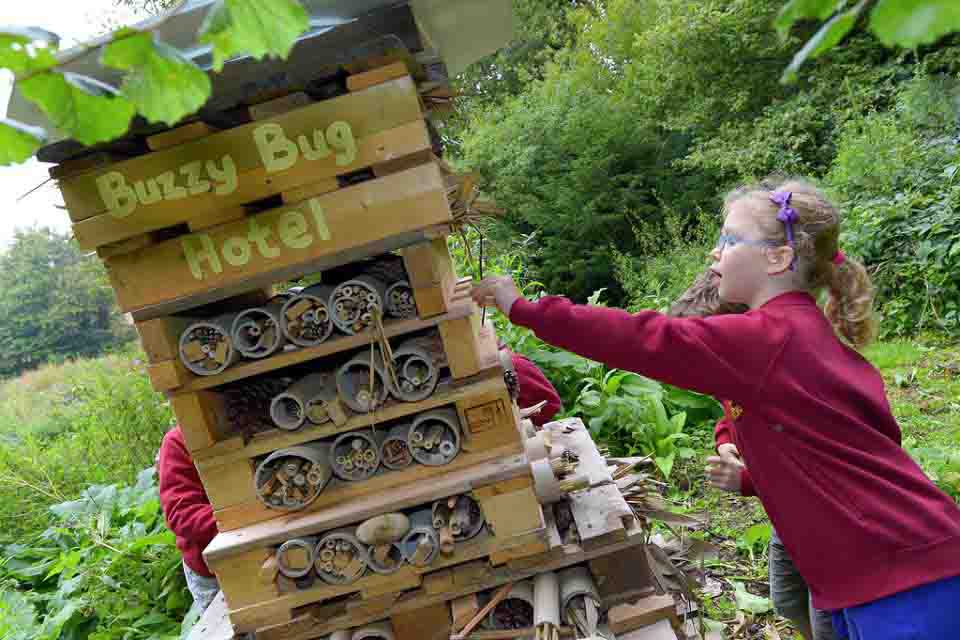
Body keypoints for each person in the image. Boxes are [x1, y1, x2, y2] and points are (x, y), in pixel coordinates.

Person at [471, 177, 960, 639]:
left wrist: (526, 309)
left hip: (902, 580)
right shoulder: (800, 337)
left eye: (728, 239)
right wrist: (750, 478)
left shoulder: (768, 337)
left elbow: (644, 339)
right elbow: (848, 452)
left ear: (778, 257)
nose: (714, 252)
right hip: (896, 568)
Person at [157, 353, 562, 612]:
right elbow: (183, 516)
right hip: (215, 567)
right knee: (234, 617)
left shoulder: (502, 364)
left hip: (282, 534)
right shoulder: (179, 444)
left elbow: (550, 406)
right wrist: (262, 519)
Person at [670, 272, 835, 640]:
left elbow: (812, 470)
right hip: (788, 520)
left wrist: (746, 481)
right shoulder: (736, 376)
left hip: (829, 524)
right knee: (788, 602)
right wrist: (726, 438)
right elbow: (730, 410)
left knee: (828, 618)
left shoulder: (786, 387)